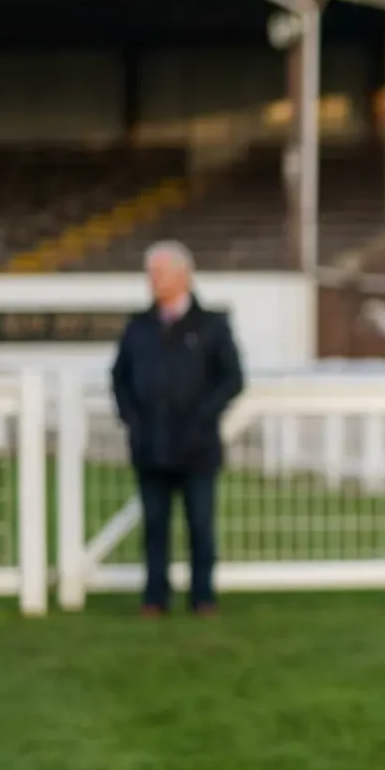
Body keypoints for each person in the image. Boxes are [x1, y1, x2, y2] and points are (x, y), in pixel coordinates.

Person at [109, 240, 242, 616]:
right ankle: (155, 597)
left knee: (200, 524)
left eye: (160, 273)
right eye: (151, 274)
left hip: (197, 447)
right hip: (150, 444)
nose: (153, 281)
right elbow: (119, 377)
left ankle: (203, 596)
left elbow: (232, 377)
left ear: (184, 276)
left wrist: (203, 416)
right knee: (154, 526)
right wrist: (132, 417)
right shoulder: (139, 327)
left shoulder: (211, 325)